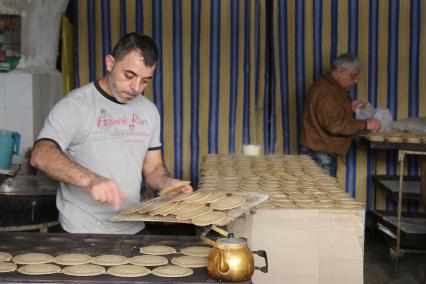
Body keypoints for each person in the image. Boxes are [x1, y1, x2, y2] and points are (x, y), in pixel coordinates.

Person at [30, 33, 192, 234]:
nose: (136, 88)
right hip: (81, 231)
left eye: (145, 81)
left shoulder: (148, 111)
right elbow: (40, 154)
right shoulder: (76, 106)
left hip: (132, 228)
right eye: (129, 75)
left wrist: (168, 183)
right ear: (110, 63)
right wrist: (90, 180)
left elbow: (153, 168)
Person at [300, 53, 381, 177]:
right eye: (353, 76)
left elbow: (329, 114)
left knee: (321, 194)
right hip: (319, 154)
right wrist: (366, 123)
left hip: (319, 152)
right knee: (323, 195)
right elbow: (334, 124)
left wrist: (349, 108)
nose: (355, 81)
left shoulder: (330, 88)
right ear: (340, 71)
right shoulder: (326, 92)